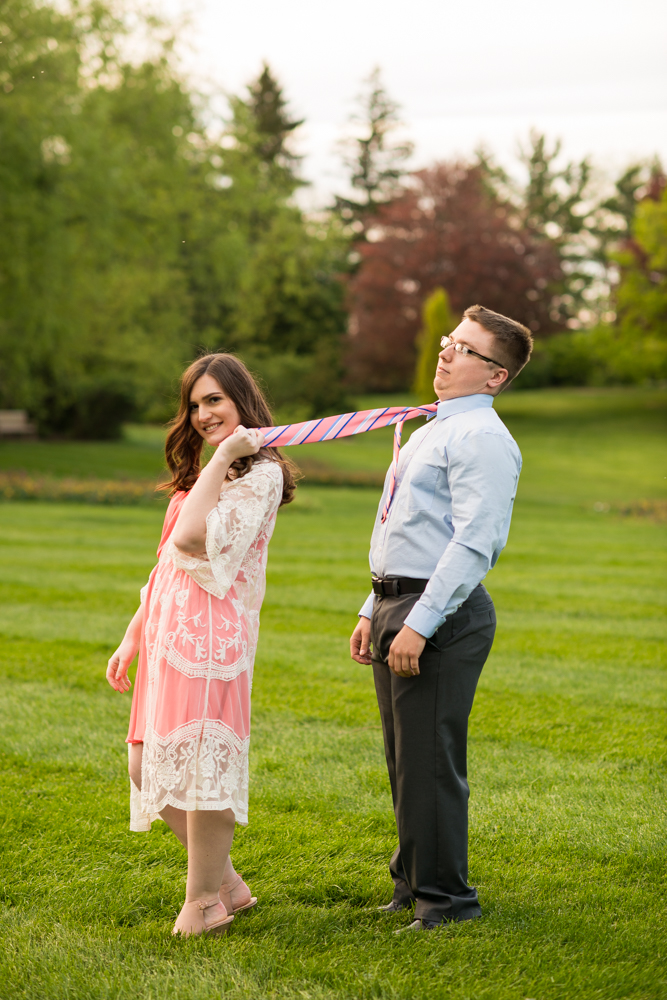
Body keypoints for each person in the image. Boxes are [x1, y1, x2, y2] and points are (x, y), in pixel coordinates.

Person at [350, 304, 532, 932]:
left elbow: (475, 542)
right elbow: (404, 527)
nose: (446, 352)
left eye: (466, 349)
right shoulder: (430, 429)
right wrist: (371, 609)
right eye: (450, 341)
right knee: (406, 759)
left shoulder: (480, 436)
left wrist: (420, 624)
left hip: (441, 613)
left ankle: (447, 903)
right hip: (396, 604)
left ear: (495, 377)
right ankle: (412, 886)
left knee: (430, 761)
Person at [106, 354, 296, 937]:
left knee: (199, 768)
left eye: (215, 399)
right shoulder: (212, 471)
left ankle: (204, 901)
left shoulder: (257, 474)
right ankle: (228, 884)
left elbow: (195, 539)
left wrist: (222, 459)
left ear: (243, 400)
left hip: (212, 636)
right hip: (169, 631)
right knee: (146, 760)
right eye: (195, 404)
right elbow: (168, 558)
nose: (204, 414)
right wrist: (134, 632)